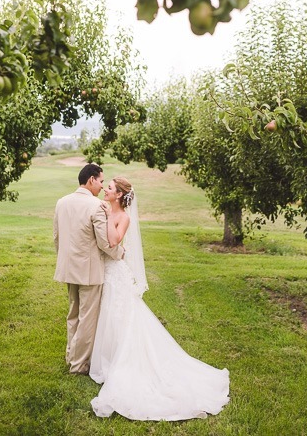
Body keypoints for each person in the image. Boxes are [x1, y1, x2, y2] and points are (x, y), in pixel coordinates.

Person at [89, 176, 230, 421]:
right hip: (108, 272)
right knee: (110, 315)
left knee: (121, 316)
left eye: (109, 188)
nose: (105, 190)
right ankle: (109, 358)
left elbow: (113, 241)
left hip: (116, 275)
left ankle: (124, 364)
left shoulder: (123, 217)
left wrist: (107, 214)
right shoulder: (107, 210)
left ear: (119, 195)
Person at [53, 163, 124, 375]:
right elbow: (104, 243)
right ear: (91, 179)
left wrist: (65, 259)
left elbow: (57, 237)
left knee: (73, 315)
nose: (103, 187)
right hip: (89, 271)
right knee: (87, 320)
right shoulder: (96, 206)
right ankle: (78, 366)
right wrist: (120, 254)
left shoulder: (61, 202)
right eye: (101, 181)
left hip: (68, 268)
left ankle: (70, 356)